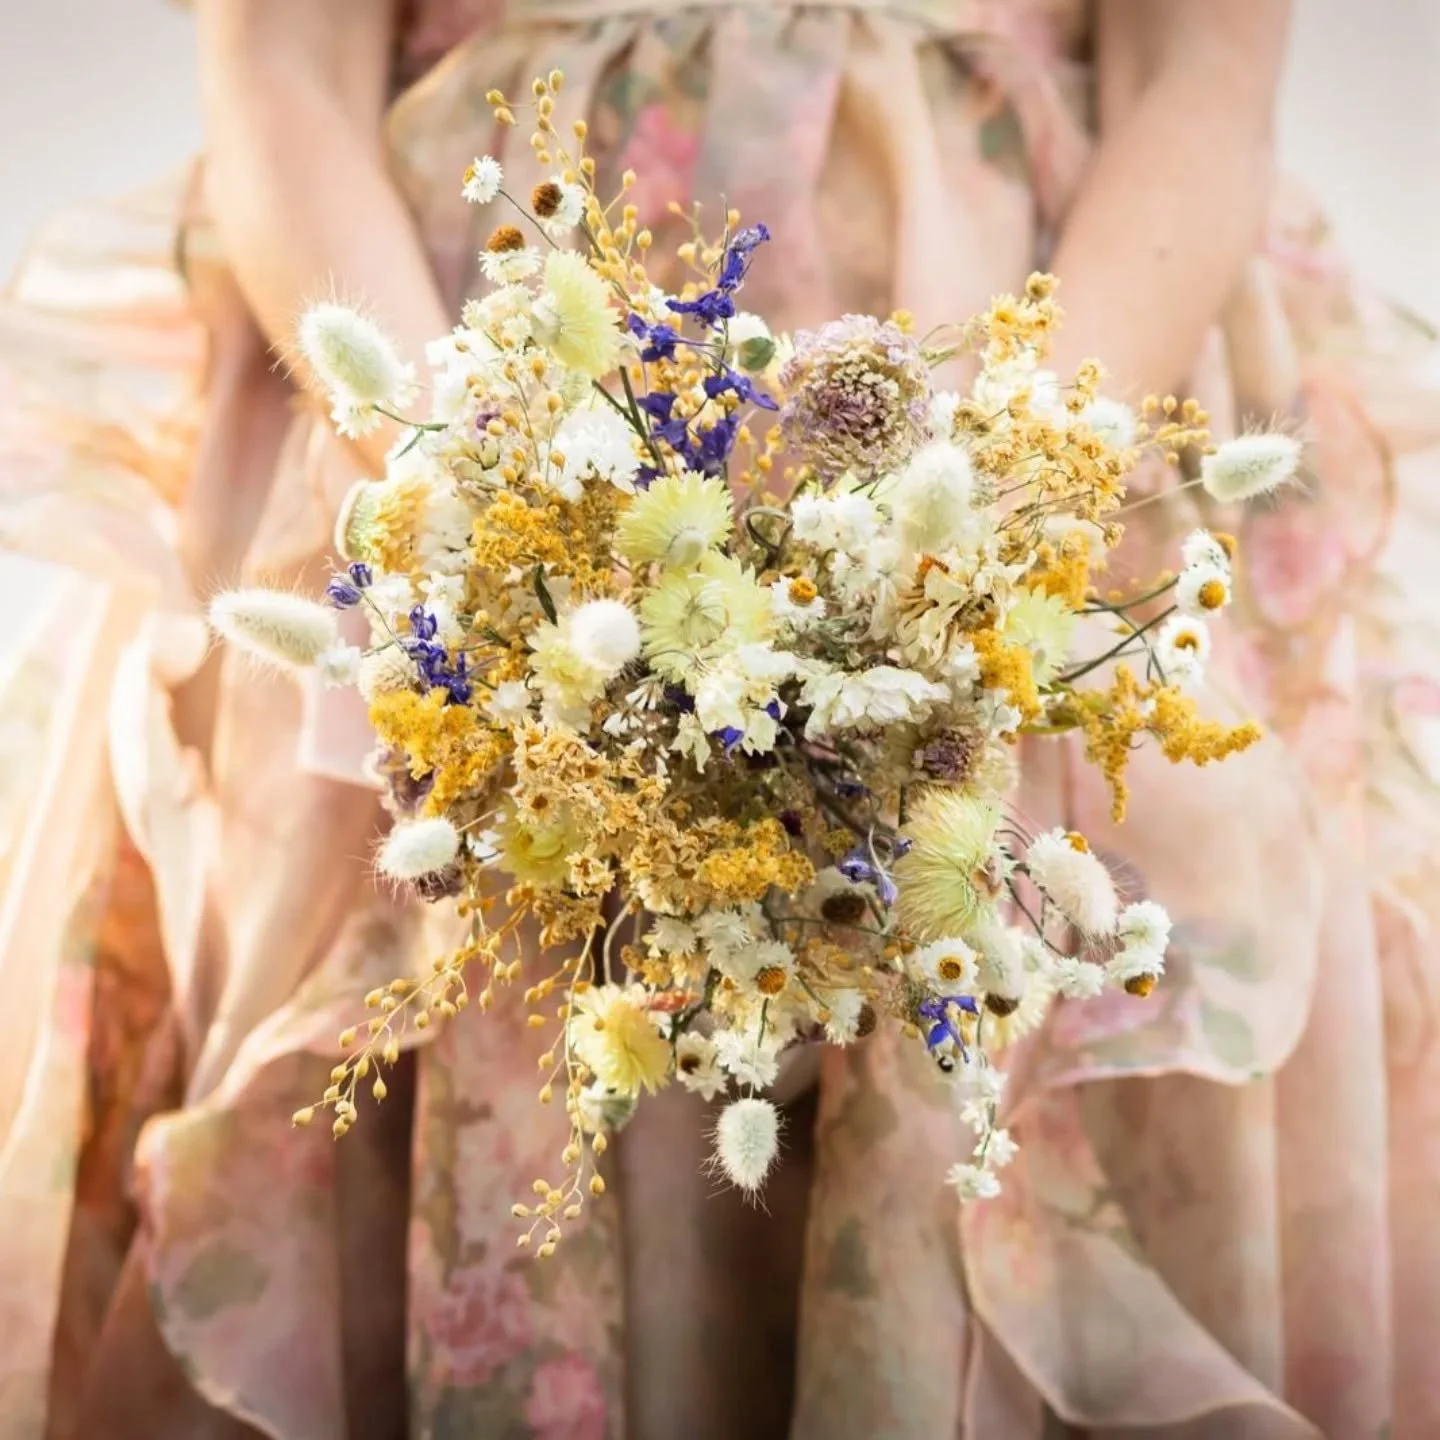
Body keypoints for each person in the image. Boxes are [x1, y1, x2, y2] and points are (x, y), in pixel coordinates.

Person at [0, 0, 1436, 1436]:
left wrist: (1003, 504)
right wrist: (473, 495)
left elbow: (1201, 70)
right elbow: (281, 61)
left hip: (1058, 375)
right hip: (456, 371)